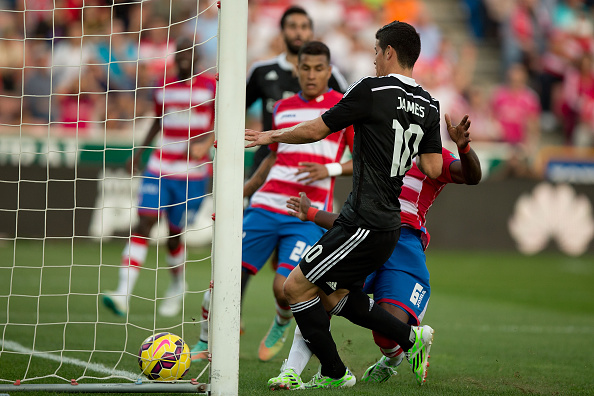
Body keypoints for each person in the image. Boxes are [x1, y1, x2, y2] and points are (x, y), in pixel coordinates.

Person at [245, 21, 443, 388]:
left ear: (389, 52)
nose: (373, 60)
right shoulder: (429, 105)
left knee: (294, 288)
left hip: (363, 221)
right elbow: (432, 166)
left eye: (375, 52)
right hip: (387, 223)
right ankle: (393, 345)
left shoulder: (373, 89)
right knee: (333, 295)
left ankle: (340, 370)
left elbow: (319, 128)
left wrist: (270, 135)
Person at [268, 113, 481, 390]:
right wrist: (312, 213)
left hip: (404, 244)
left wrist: (463, 148)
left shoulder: (431, 157)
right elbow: (354, 219)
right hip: (365, 236)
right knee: (314, 290)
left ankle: (391, 359)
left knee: (385, 334)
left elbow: (472, 176)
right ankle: (293, 371)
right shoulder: (375, 150)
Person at [102, 37, 216, 317]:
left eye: (190, 54)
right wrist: (139, 153)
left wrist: (205, 143)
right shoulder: (163, 85)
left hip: (193, 172)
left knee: (174, 236)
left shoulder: (211, 88)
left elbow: (223, 121)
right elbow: (157, 120)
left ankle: (177, 285)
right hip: (159, 166)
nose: (184, 59)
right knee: (145, 223)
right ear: (175, 56)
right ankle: (122, 293)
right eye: (180, 54)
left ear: (198, 58)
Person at [246, 5, 348, 176]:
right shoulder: (261, 71)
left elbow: (348, 113)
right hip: (267, 163)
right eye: (292, 26)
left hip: (310, 168)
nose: (298, 32)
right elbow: (236, 110)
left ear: (311, 33)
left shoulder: (331, 74)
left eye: (304, 27)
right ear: (282, 32)